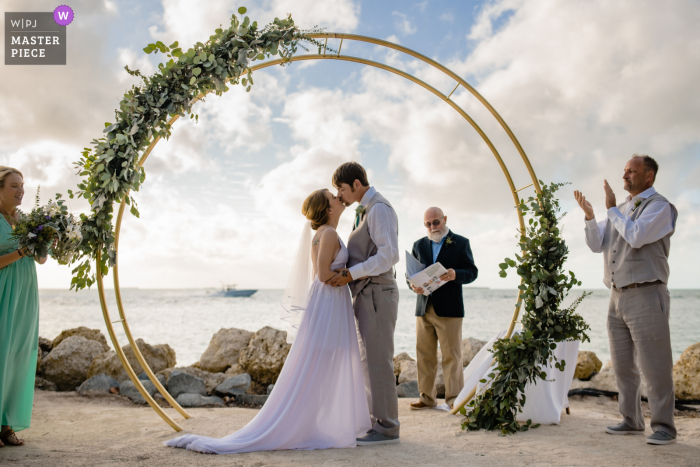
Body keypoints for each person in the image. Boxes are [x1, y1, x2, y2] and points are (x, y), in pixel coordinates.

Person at [165, 189, 371, 453]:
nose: (338, 198)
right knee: (327, 361)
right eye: (333, 196)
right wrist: (351, 274)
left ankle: (317, 422)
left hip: (327, 301)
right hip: (329, 299)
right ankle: (319, 423)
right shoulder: (328, 234)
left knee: (322, 362)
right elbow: (321, 275)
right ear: (328, 208)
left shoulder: (321, 235)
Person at [574, 154, 677, 446]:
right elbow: (597, 245)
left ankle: (665, 428)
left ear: (649, 176)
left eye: (632, 171)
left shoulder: (660, 207)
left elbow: (637, 236)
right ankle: (631, 421)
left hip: (647, 293)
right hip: (616, 296)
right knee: (622, 366)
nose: (625, 175)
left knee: (655, 366)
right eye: (624, 171)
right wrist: (593, 217)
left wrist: (611, 211)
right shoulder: (618, 210)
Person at [326, 162, 400, 446]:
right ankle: (376, 421)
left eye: (341, 189)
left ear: (357, 184)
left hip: (378, 293)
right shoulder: (365, 210)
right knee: (370, 359)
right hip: (368, 294)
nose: (340, 195)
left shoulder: (379, 209)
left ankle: (387, 427)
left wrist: (349, 274)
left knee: (379, 360)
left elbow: (388, 256)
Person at [407, 207, 478, 410]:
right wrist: (412, 285)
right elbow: (410, 275)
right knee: (424, 354)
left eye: (436, 222)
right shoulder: (418, 245)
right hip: (424, 308)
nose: (432, 227)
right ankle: (427, 398)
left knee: (452, 356)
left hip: (450, 309)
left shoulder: (461, 242)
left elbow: (472, 272)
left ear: (445, 219)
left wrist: (456, 274)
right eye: (428, 224)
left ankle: (454, 399)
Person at [0, 167, 51, 448]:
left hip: (25, 293)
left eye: (23, 186)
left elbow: (41, 259)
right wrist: (21, 251)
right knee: (0, 354)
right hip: (2, 291)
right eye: (14, 185)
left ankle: (6, 425)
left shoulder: (28, 220)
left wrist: (46, 240)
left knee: (19, 355)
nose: (20, 190)